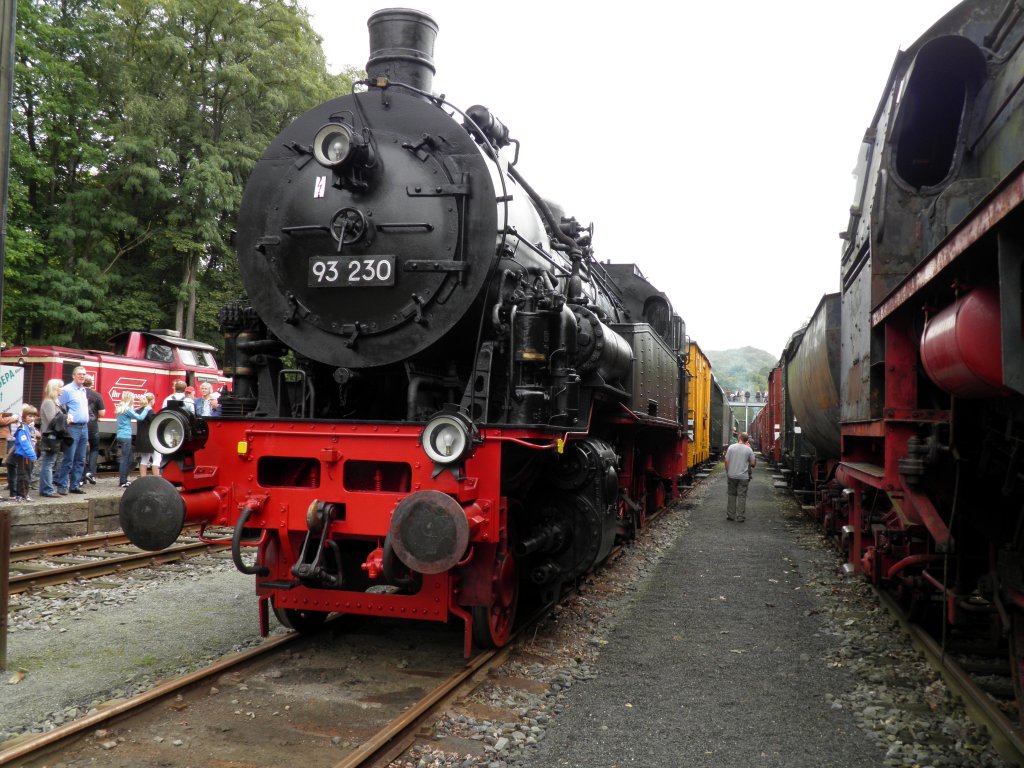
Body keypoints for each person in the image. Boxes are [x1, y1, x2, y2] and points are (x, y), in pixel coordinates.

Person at [56, 366, 90, 495]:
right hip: (73, 428)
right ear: (73, 376)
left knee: (80, 459)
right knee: (69, 458)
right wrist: (65, 417)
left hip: (84, 427)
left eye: (84, 374)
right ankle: (62, 486)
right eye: (79, 374)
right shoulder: (67, 390)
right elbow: (57, 405)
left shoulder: (83, 390)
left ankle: (75, 485)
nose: (82, 376)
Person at [38, 379, 65, 498]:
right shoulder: (49, 403)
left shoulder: (55, 402)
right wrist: (66, 420)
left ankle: (47, 488)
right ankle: (47, 489)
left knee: (50, 462)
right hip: (50, 437)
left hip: (54, 436)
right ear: (55, 389)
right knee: (48, 463)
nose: (62, 389)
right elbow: (52, 420)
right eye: (60, 387)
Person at [114, 392, 147, 488]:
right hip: (126, 436)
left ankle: (124, 479)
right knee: (125, 459)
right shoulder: (127, 409)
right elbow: (140, 417)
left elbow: (132, 411)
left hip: (120, 435)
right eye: (132, 398)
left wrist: (140, 408)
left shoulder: (121, 408)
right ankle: (122, 481)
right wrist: (147, 409)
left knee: (128, 458)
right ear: (130, 399)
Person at [723, 431, 756, 522]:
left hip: (732, 475)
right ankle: (740, 516)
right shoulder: (749, 449)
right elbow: (753, 463)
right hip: (744, 477)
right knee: (742, 496)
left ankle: (730, 515)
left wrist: (728, 471)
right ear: (746, 440)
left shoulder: (731, 447)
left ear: (739, 438)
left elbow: (726, 461)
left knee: (731, 495)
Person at [9, 404, 39, 501]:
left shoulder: (28, 428)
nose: (32, 418)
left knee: (28, 475)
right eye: (29, 416)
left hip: (28, 456)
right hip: (23, 455)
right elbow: (25, 444)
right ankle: (21, 495)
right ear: (24, 416)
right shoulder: (22, 429)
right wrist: (33, 455)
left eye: (33, 416)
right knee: (23, 476)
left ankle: (24, 494)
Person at [83, 375, 106, 485]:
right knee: (94, 449)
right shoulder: (97, 395)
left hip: (81, 425)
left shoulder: (79, 393)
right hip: (93, 426)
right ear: (91, 383)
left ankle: (81, 476)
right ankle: (91, 473)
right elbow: (102, 413)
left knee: (81, 450)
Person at [135, 392, 158, 476]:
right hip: (150, 439)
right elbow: (155, 424)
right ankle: (157, 479)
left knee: (144, 459)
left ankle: (142, 478)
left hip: (141, 438)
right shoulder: (150, 411)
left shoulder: (139, 410)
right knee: (157, 458)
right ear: (151, 401)